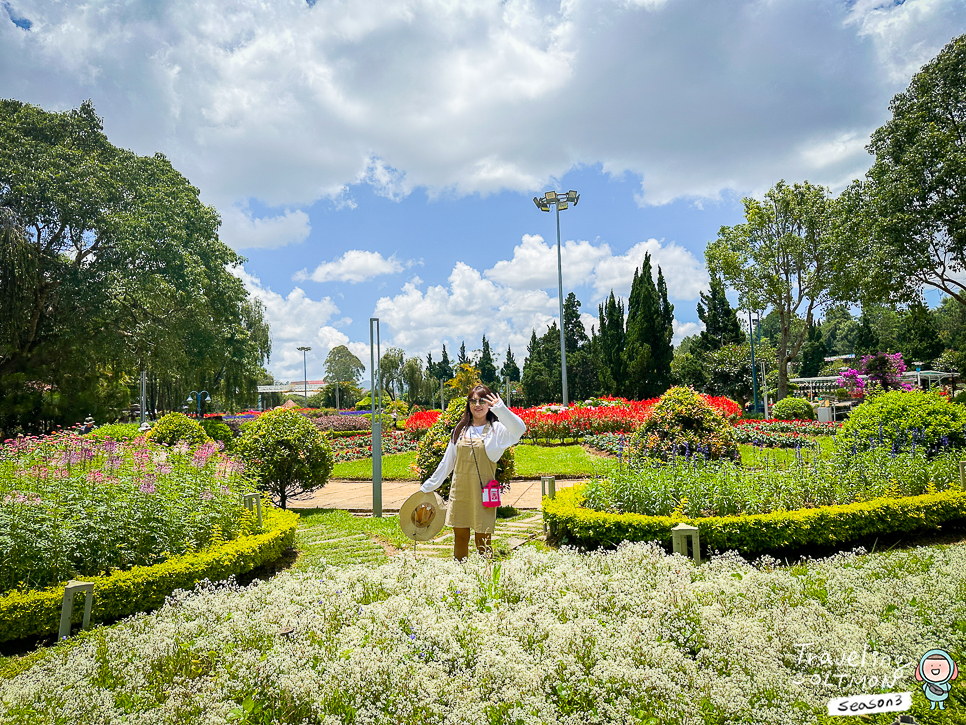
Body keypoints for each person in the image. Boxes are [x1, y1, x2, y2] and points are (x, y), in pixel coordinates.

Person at [420, 384, 526, 560]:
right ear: (468, 404)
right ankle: (462, 578)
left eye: (482, 401)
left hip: (483, 494)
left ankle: (486, 579)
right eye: (473, 401)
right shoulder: (460, 429)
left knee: (483, 540)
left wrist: (501, 409)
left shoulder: (497, 430)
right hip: (460, 491)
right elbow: (447, 463)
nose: (478, 404)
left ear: (489, 404)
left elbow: (519, 429)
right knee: (460, 538)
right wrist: (428, 487)